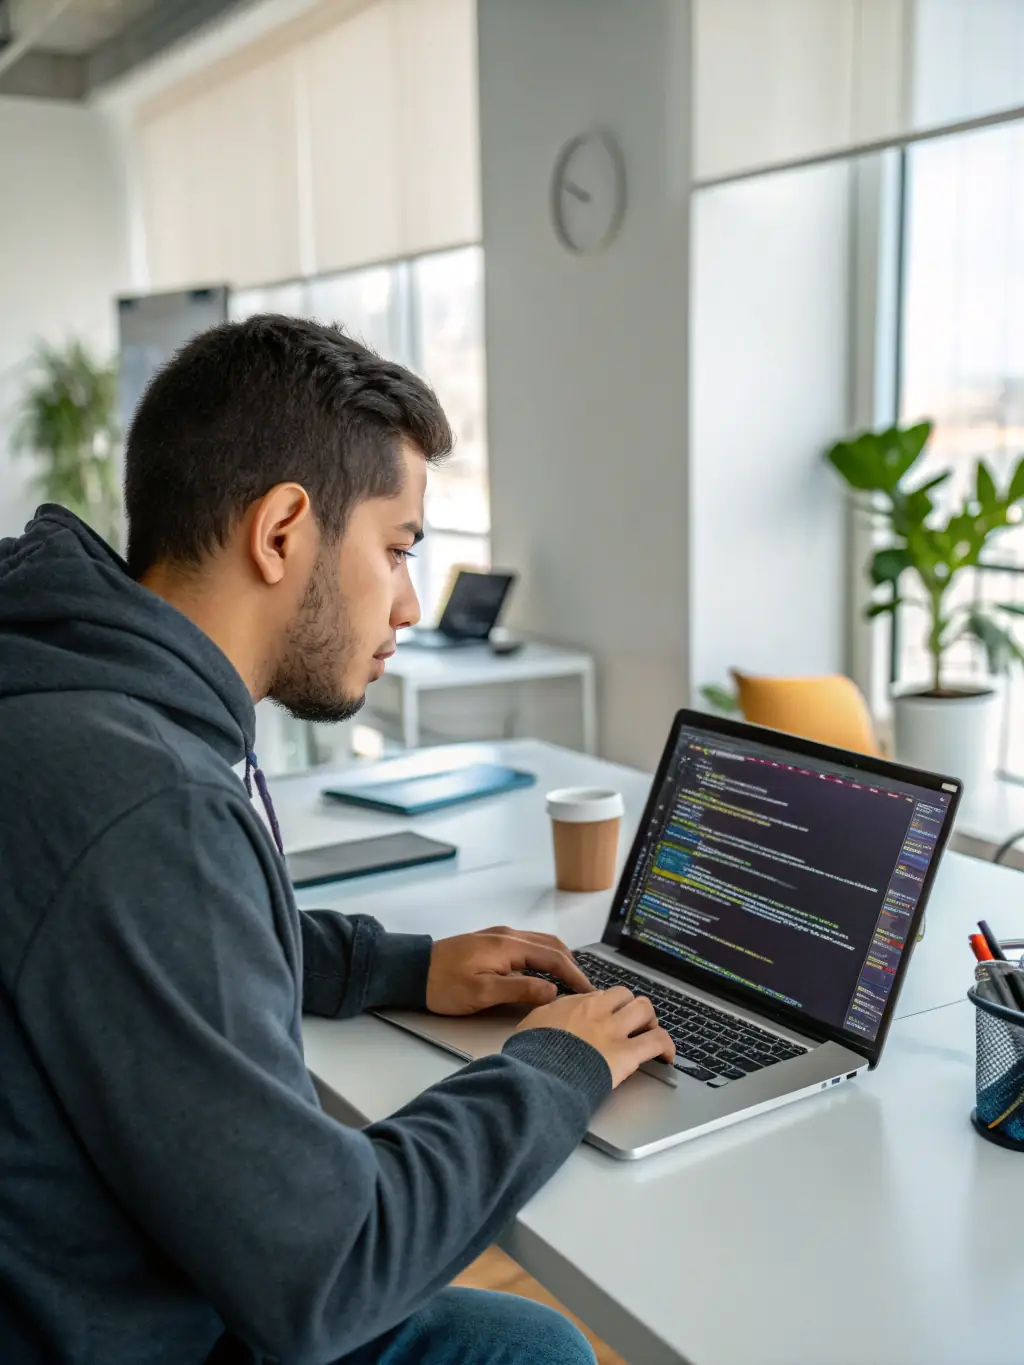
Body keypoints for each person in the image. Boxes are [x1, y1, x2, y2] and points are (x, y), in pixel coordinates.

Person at [0, 316, 674, 1365]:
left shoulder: (66, 692)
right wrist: (558, 1066)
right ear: (281, 531)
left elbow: (154, 934)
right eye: (397, 550)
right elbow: (327, 1269)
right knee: (535, 1353)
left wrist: (396, 965)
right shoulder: (144, 799)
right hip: (121, 1329)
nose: (409, 603)